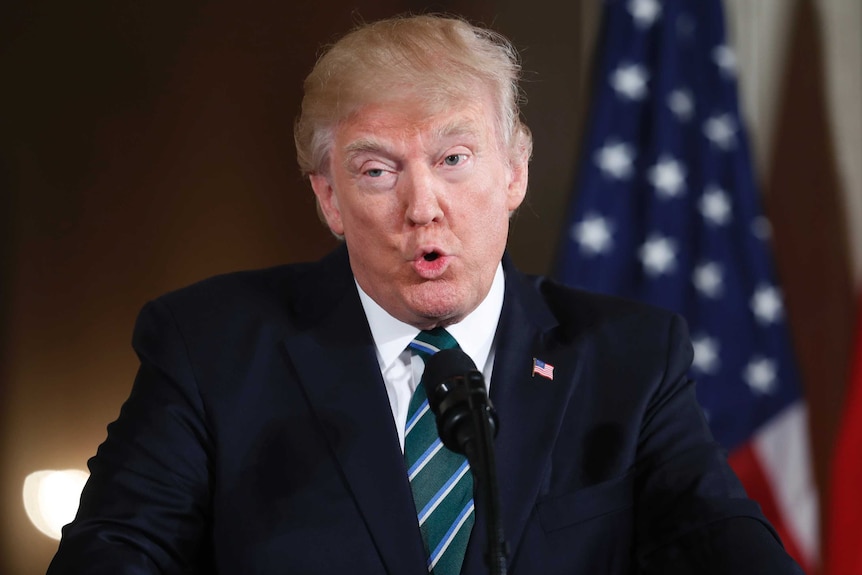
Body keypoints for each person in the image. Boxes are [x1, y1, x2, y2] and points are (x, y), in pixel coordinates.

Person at [48, 14, 803, 575]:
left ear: (515, 172)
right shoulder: (211, 348)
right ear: (329, 198)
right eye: (378, 170)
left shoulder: (629, 358)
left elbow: (722, 544)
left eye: (454, 157)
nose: (422, 205)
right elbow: (115, 553)